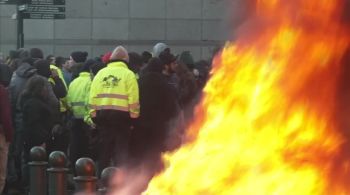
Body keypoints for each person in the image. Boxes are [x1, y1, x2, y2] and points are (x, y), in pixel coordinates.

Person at [89, 46, 139, 174]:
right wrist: (133, 119)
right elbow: (133, 99)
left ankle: (102, 182)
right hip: (123, 120)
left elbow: (92, 97)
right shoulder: (129, 75)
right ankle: (120, 184)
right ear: (125, 60)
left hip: (103, 118)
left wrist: (94, 117)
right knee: (121, 154)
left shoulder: (100, 74)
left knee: (104, 153)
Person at [19, 76, 55, 186]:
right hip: (38, 141)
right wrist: (42, 141)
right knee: (36, 166)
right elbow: (34, 124)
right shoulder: (34, 103)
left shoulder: (31, 100)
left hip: (35, 138)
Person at [67, 59, 100, 169]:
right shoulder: (91, 82)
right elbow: (89, 102)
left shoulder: (74, 82)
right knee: (87, 152)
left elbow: (68, 101)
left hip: (74, 118)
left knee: (76, 148)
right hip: (87, 121)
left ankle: (75, 171)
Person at [0, 71, 14, 194]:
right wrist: (9, 136)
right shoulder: (1, 91)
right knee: (1, 172)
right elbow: (5, 116)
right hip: (1, 134)